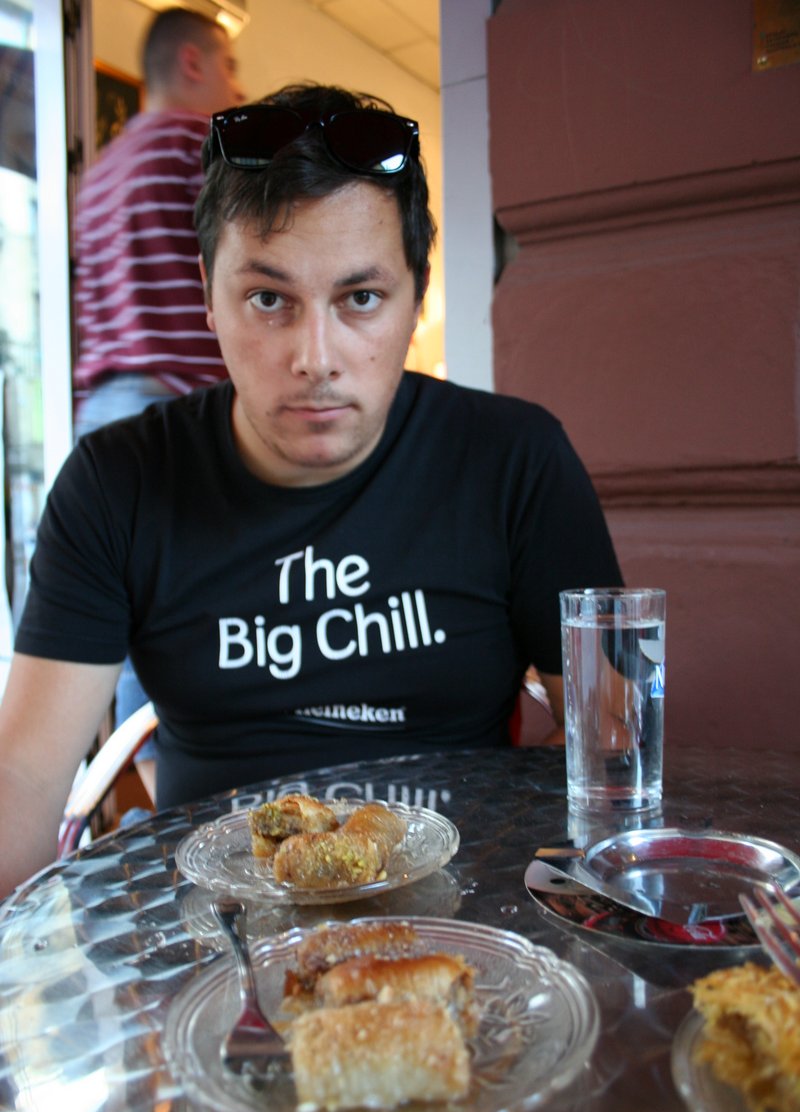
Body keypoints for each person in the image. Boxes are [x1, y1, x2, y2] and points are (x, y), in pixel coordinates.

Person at [0, 82, 622, 897]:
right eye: (269, 300)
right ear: (209, 296)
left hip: (458, 920)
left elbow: (613, 744)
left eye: (360, 298)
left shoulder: (514, 460)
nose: (315, 358)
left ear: (416, 295)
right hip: (217, 936)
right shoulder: (118, 484)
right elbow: (24, 776)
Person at [72, 8, 245, 794]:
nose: (236, 88)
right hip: (175, 404)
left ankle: (144, 804)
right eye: (230, 67)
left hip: (103, 413)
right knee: (201, 611)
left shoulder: (98, 174)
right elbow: (239, 259)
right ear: (194, 62)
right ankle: (197, 803)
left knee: (134, 622)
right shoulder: (191, 143)